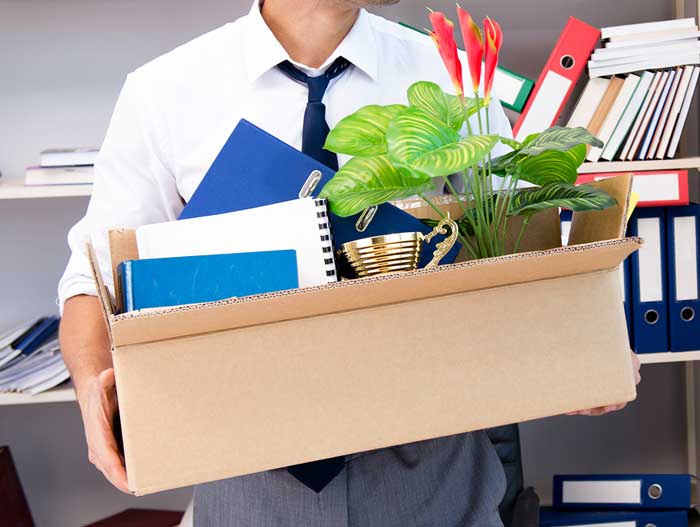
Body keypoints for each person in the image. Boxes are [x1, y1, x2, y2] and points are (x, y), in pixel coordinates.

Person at [58, 1, 642, 526]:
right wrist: (92, 388)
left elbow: (519, 241)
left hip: (433, 463)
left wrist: (585, 347)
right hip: (248, 470)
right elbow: (94, 277)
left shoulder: (449, 73)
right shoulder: (164, 89)